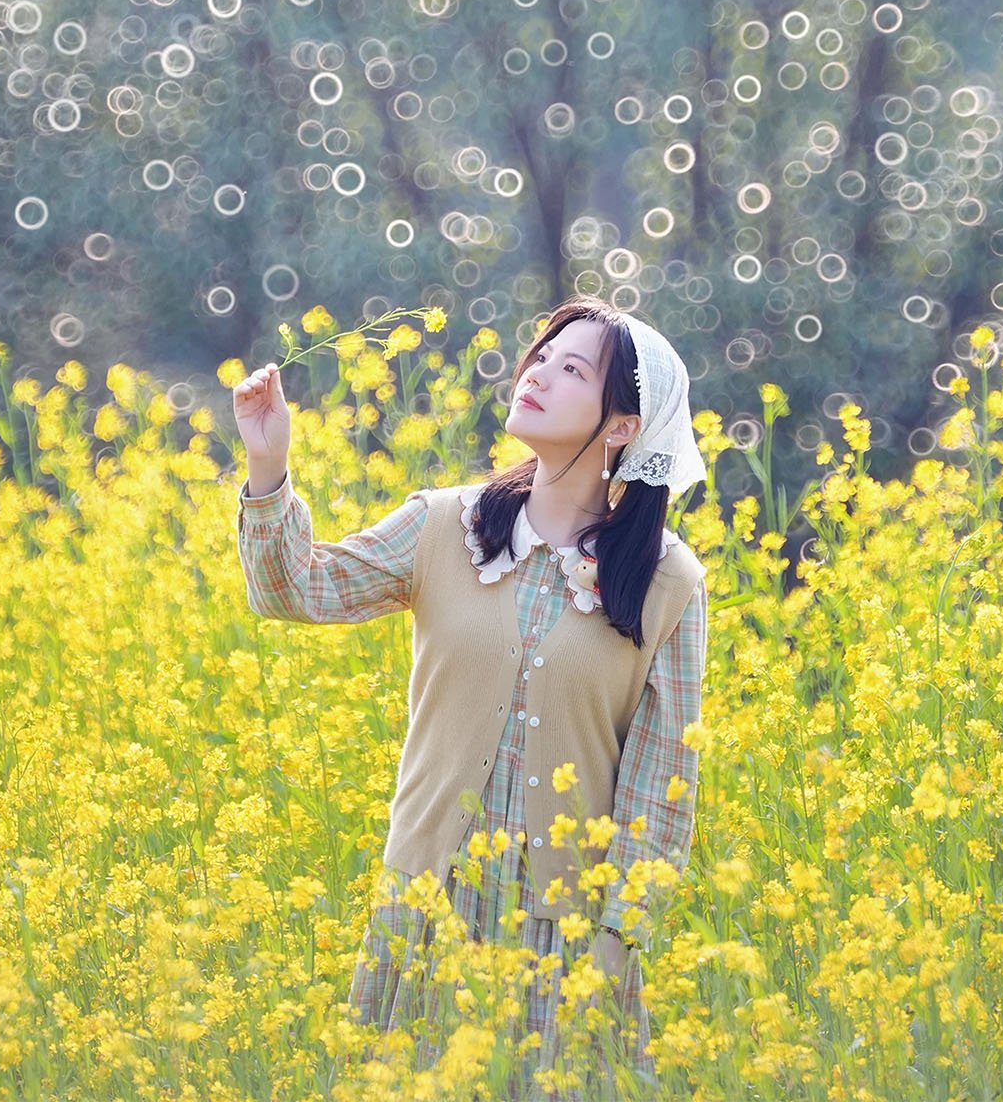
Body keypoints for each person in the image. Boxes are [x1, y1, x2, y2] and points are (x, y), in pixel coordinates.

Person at [233, 296, 709, 1099]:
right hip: (425, 912)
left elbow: (662, 792)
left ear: (623, 426)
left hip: (565, 943)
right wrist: (268, 468)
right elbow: (295, 589)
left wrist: (612, 949)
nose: (539, 374)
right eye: (542, 356)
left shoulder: (667, 581)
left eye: (573, 369)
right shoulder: (444, 526)